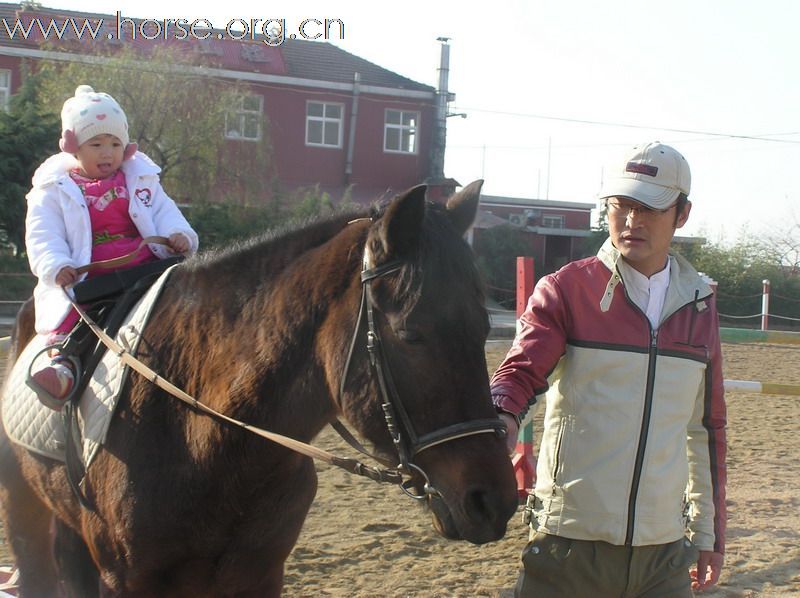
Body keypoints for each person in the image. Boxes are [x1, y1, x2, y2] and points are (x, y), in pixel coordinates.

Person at [491, 142, 727, 596]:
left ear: (682, 214)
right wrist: (501, 412)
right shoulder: (564, 289)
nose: (632, 222)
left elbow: (707, 428)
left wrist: (707, 535)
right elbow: (519, 373)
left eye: (649, 208)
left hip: (665, 556)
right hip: (568, 547)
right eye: (621, 206)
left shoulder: (701, 306)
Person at [25, 84, 199, 409]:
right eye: (97, 143)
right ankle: (63, 362)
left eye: (115, 144)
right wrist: (56, 264)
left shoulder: (141, 180)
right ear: (74, 147)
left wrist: (177, 234)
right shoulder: (53, 190)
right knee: (75, 317)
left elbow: (163, 211)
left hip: (144, 264)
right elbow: (42, 233)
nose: (108, 153)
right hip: (90, 272)